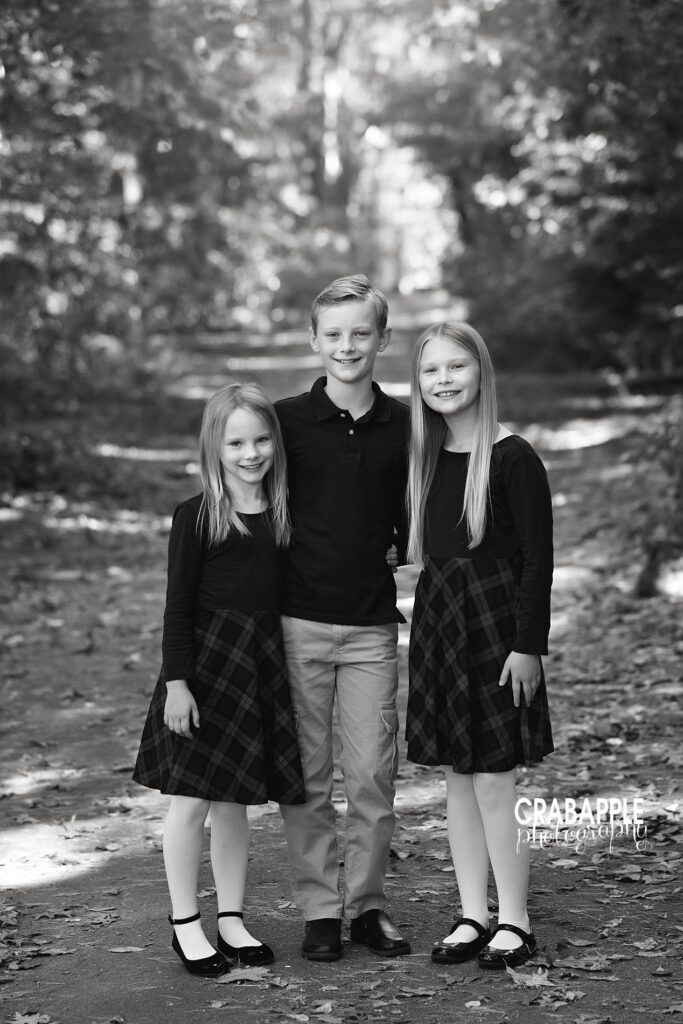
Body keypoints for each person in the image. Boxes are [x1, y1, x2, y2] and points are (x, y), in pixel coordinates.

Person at [133, 382, 305, 976]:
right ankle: (186, 923)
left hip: (256, 667)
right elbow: (177, 605)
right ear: (216, 447)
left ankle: (231, 917)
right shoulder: (198, 514)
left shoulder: (284, 513)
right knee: (189, 803)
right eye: (237, 443)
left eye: (261, 440)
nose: (251, 453)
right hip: (207, 669)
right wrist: (178, 682)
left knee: (235, 805)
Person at [406, 322, 554, 970]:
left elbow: (537, 561)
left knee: (495, 779)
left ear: (479, 373)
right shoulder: (424, 456)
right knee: (455, 780)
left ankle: (515, 921)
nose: (442, 380)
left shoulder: (514, 456)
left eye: (454, 367)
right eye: (430, 370)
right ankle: (472, 913)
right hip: (440, 622)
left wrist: (528, 645)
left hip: (496, 628)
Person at [275, 274, 411, 962]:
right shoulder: (286, 421)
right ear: (314, 340)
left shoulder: (404, 427)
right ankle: (320, 910)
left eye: (361, 332)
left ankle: (366, 905)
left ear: (383, 339)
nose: (347, 346)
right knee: (305, 776)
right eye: (333, 334)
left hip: (369, 629)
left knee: (368, 776)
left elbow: (417, 515)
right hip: (296, 621)